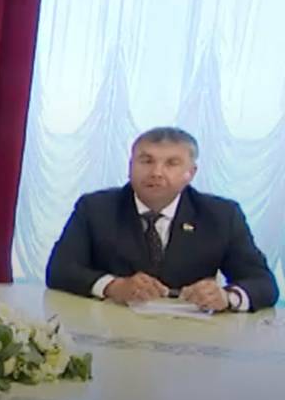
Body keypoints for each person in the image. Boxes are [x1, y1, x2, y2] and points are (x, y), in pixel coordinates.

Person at [46, 126, 276, 312]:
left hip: (192, 339)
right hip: (110, 330)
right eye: (146, 161)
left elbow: (263, 283)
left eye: (171, 163)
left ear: (190, 173)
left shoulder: (221, 215)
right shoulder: (95, 208)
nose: (156, 172)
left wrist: (227, 297)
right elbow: (60, 269)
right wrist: (114, 286)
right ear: (130, 167)